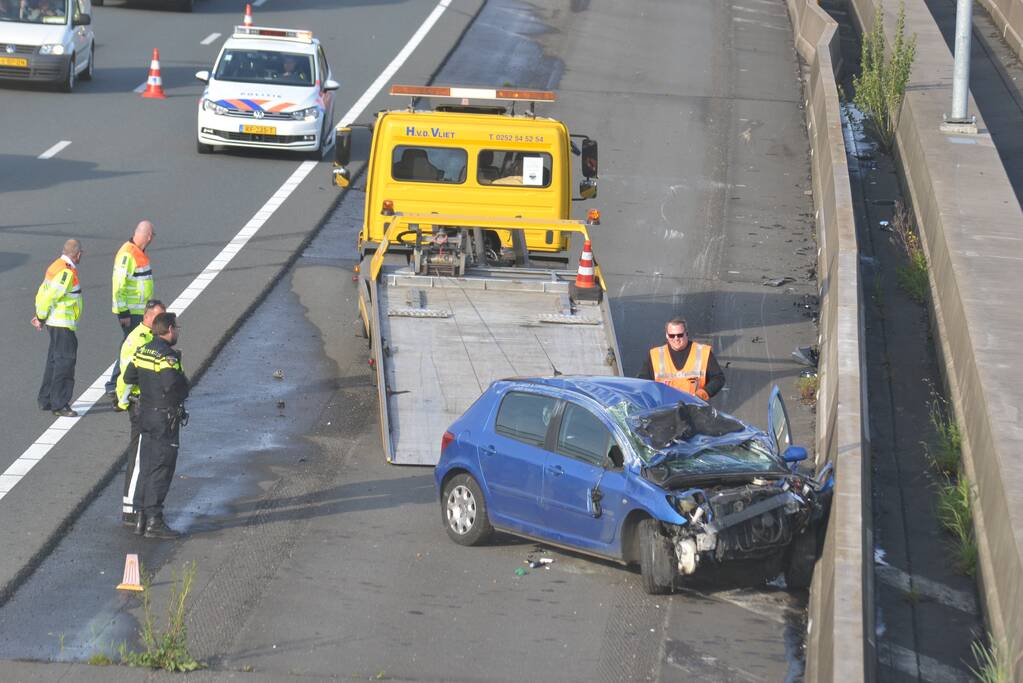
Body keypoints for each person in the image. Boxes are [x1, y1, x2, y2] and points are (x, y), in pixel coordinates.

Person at [122, 312, 189, 539]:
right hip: (164, 419)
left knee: (147, 466)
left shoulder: (142, 350)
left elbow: (129, 377)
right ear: (169, 329)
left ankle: (141, 517)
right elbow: (173, 385)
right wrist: (181, 377)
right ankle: (154, 521)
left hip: (145, 416)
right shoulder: (168, 356)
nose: (178, 331)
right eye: (176, 328)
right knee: (162, 468)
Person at [115, 299, 166, 528]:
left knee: (146, 456)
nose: (161, 322)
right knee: (137, 457)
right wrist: (124, 402)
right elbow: (128, 375)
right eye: (158, 317)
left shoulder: (150, 336)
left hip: (147, 402)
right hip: (137, 402)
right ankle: (130, 510)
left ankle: (139, 506)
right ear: (147, 317)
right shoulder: (137, 339)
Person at [33, 239, 83, 417]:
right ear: (78, 254)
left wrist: (41, 315)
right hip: (62, 323)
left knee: (53, 361)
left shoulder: (55, 265)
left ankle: (46, 398)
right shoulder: (66, 272)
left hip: (54, 322)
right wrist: (40, 316)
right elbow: (52, 296)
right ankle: (60, 403)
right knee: (65, 363)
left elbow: (42, 292)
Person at [106, 220, 155, 399]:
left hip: (139, 310)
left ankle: (119, 383)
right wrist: (123, 312)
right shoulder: (128, 254)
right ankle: (115, 384)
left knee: (131, 345)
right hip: (132, 312)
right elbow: (118, 284)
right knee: (131, 346)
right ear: (148, 237)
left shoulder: (137, 252)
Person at [638, 317, 725, 401]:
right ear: (666, 335)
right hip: (665, 410)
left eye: (680, 335)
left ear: (686, 334)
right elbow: (642, 383)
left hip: (693, 409)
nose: (676, 339)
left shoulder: (703, 352)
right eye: (672, 336)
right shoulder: (655, 355)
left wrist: (702, 394)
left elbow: (718, 378)